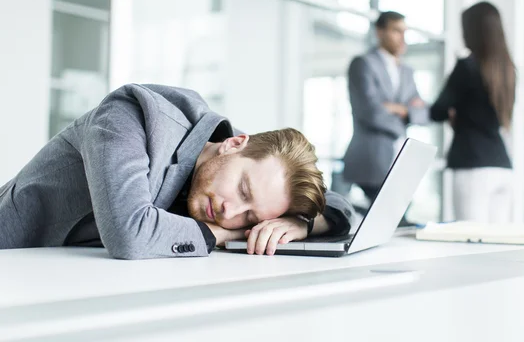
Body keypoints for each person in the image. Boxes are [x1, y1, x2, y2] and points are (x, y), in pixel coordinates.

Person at [0, 84, 353, 259]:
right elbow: (129, 233)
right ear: (234, 143)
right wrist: (233, 235)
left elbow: (341, 207)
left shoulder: (239, 163)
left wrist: (298, 224)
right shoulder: (130, 116)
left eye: (251, 217)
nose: (232, 212)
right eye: (243, 192)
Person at [430, 1, 516, 223]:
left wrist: (454, 115)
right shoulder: (508, 69)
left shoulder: (467, 65)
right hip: (502, 167)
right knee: (498, 244)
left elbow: (437, 110)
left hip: (473, 166)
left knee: (470, 243)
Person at [343, 11, 429, 205]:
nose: (403, 38)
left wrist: (400, 109)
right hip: (371, 160)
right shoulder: (363, 64)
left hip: (401, 159)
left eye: (405, 31)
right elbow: (371, 111)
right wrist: (407, 110)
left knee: (399, 218)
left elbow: (425, 112)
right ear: (379, 32)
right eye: (396, 31)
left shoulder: (407, 71)